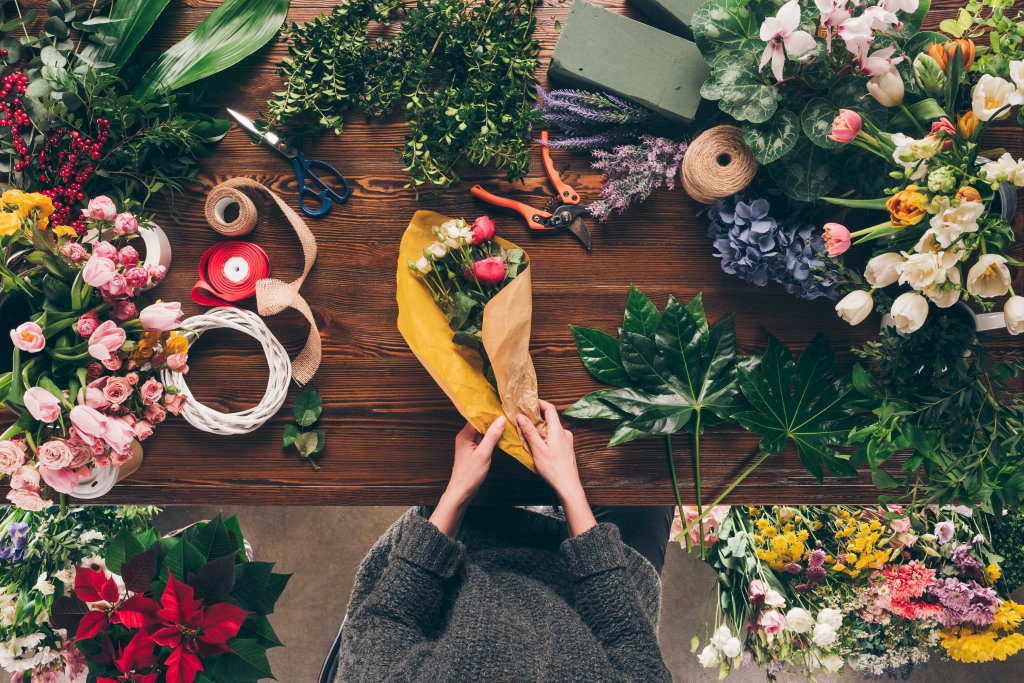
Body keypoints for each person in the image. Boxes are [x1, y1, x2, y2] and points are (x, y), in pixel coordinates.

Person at [333, 400, 674, 682]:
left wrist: (459, 492)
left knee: (454, 411)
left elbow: (388, 619)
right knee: (653, 427)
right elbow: (631, 644)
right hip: (604, 594)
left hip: (467, 557)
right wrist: (569, 488)